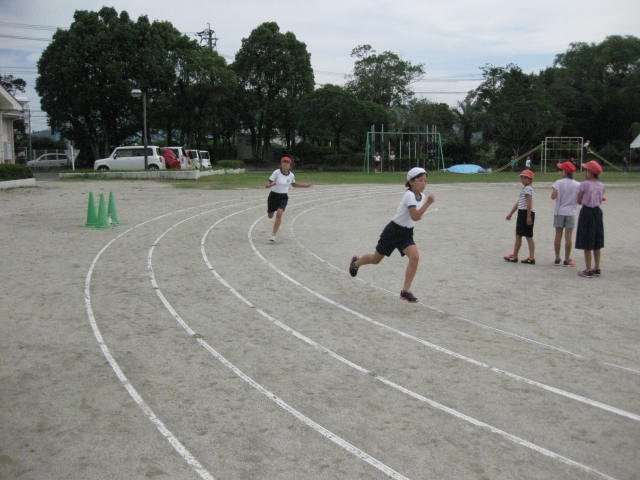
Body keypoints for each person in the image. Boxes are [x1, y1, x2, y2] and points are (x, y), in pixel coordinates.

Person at [349, 167, 435, 303]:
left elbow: (416, 217)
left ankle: (405, 291)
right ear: (411, 182)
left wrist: (424, 206)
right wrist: (428, 204)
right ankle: (356, 263)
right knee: (376, 259)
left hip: (406, 233)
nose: (423, 183)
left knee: (415, 257)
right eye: (420, 180)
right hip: (393, 231)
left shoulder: (422, 197)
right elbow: (415, 216)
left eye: (425, 181)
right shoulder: (409, 195)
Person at [265, 156, 312, 242]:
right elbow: (269, 182)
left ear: (290, 165)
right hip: (273, 196)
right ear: (281, 164)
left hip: (283, 197)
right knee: (270, 216)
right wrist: (268, 185)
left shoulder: (291, 175)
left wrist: (305, 186)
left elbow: (294, 185)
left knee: (279, 214)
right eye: (284, 162)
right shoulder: (276, 172)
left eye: (287, 163)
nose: (285, 164)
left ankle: (273, 235)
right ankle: (271, 212)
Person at [575, 160, 605, 278]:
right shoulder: (601, 185)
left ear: (590, 172)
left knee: (587, 240)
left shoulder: (584, 184)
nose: (585, 173)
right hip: (597, 212)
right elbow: (601, 198)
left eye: (587, 170)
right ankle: (597, 268)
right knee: (597, 240)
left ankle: (588, 269)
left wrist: (581, 200)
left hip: (587, 212)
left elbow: (579, 200)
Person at [551, 161, 580, 266]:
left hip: (559, 212)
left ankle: (557, 257)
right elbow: (579, 200)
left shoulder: (558, 183)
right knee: (568, 237)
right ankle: (567, 258)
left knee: (558, 235)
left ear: (564, 172)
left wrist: (555, 192)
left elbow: (553, 197)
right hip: (571, 212)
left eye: (561, 170)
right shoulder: (577, 184)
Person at [504, 169, 536, 264]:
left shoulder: (528, 189)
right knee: (526, 236)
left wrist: (528, 216)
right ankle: (530, 257)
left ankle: (515, 256)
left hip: (525, 213)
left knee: (520, 235)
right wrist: (511, 213)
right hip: (524, 212)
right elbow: (519, 203)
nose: (522, 179)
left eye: (525, 177)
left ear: (530, 179)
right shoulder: (526, 189)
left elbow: (529, 203)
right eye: (522, 177)